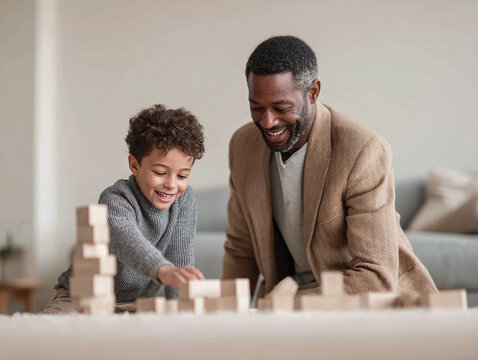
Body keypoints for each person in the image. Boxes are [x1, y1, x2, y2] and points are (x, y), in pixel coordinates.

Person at [222, 36, 437, 298]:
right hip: (285, 310)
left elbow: (376, 277)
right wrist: (223, 315)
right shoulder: (243, 146)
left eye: (281, 108)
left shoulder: (361, 149)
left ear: (312, 92)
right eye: (256, 108)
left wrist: (290, 304)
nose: (267, 122)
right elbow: (241, 249)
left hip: (366, 306)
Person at [43, 104, 205, 314]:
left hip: (136, 304)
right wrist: (162, 270)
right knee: (51, 331)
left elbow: (180, 260)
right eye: (159, 172)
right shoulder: (116, 198)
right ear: (134, 165)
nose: (172, 184)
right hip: (82, 296)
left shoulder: (184, 200)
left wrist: (183, 310)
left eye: (182, 175)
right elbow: (127, 242)